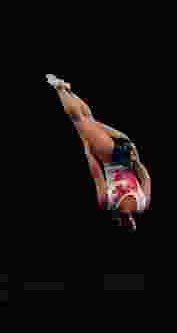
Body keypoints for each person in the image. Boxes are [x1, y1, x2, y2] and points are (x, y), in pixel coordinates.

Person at [47, 74, 152, 231]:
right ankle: (59, 86)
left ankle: (69, 91)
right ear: (120, 221)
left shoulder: (143, 205)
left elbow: (146, 178)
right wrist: (88, 152)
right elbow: (96, 174)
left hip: (125, 149)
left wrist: (136, 160)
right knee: (79, 119)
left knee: (88, 119)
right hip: (111, 155)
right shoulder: (107, 202)